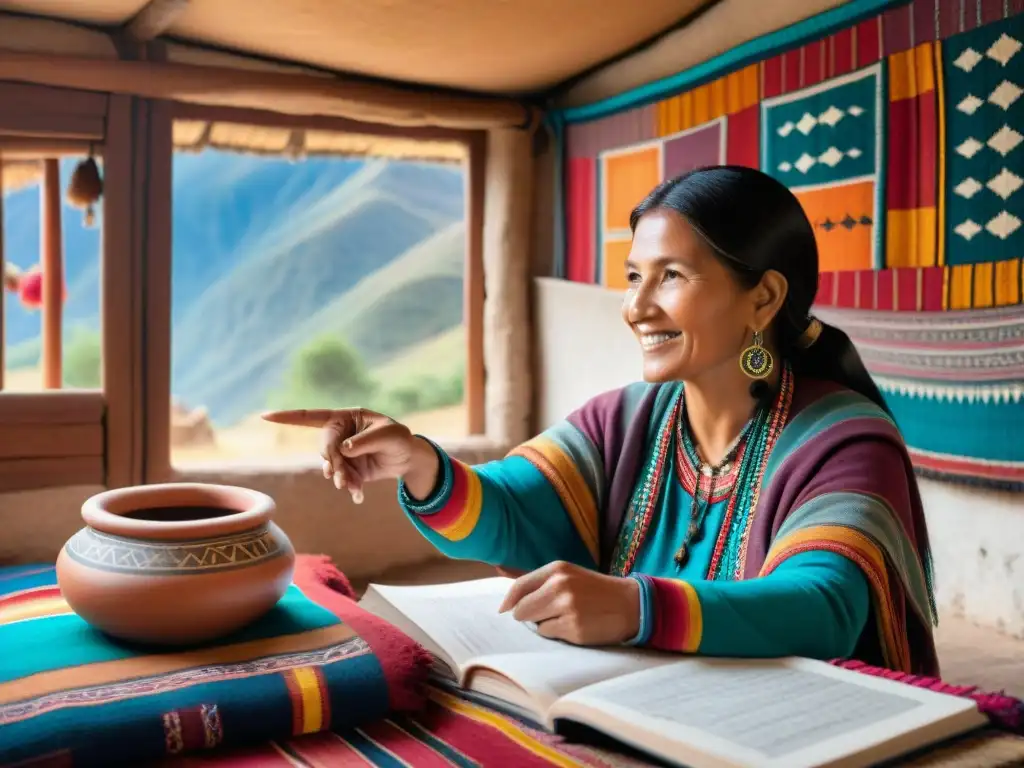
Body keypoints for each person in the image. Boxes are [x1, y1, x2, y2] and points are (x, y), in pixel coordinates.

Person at [263, 166, 939, 676]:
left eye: (670, 275)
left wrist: (635, 606)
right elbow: (512, 507)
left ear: (763, 297)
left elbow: (822, 606)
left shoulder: (845, 440)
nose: (635, 307)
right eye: (632, 275)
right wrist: (418, 462)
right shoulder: (625, 418)